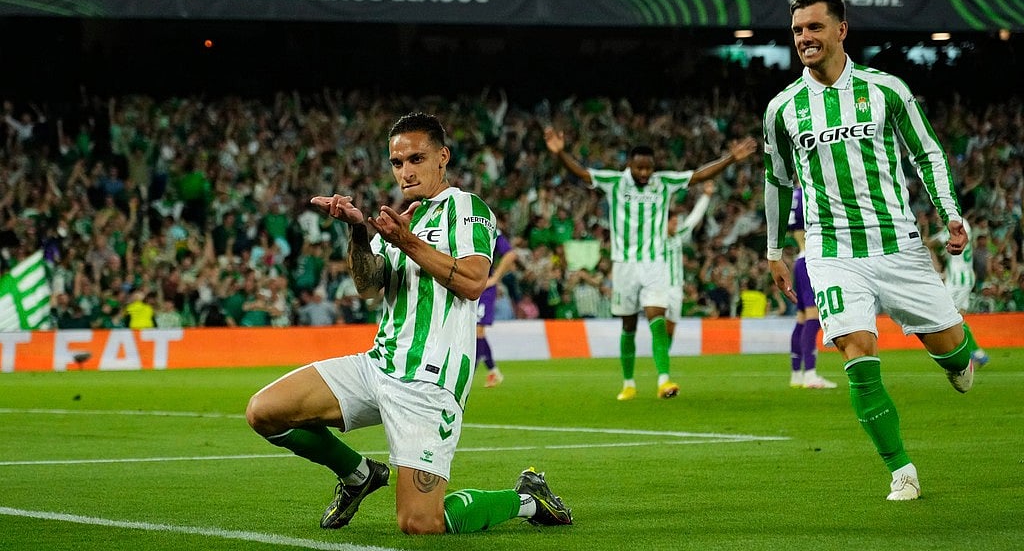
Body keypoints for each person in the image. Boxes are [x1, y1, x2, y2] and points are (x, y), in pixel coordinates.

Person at [245, 112, 572, 534]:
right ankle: (358, 475)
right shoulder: (400, 220)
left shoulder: (466, 209)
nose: (406, 171)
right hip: (378, 365)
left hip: (428, 382)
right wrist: (360, 232)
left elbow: (473, 282)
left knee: (421, 523)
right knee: (265, 412)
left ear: (442, 157)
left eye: (416, 159)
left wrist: (409, 242)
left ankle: (527, 498)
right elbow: (368, 286)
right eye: (397, 163)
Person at [763, 0, 982, 502]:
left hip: (898, 246)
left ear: (841, 30)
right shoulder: (782, 108)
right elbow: (776, 180)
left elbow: (927, 153)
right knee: (857, 352)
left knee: (953, 354)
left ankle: (958, 358)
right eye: (797, 31)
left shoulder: (886, 90)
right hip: (832, 252)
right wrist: (775, 251)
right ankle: (900, 468)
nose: (805, 38)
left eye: (815, 27)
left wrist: (951, 214)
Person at [544, 126, 757, 400]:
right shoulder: (615, 182)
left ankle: (664, 380)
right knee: (629, 326)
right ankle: (629, 382)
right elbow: (583, 173)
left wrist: (730, 159)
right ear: (630, 165)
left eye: (648, 168)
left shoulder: (663, 182)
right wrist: (561, 154)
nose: (645, 173)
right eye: (639, 168)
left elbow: (698, 175)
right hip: (624, 265)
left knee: (658, 318)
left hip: (654, 264)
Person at [787, 184, 838, 389]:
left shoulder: (792, 195)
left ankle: (796, 374)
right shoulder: (808, 191)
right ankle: (810, 374)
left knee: (801, 318)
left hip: (800, 257)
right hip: (811, 259)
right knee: (813, 317)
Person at [926, 218, 989, 367]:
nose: (937, 216)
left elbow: (932, 243)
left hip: (958, 281)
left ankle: (970, 353)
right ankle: (977, 353)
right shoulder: (962, 223)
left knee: (948, 318)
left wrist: (921, 238)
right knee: (958, 319)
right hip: (963, 277)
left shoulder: (956, 225)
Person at [665, 180, 714, 342]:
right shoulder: (654, 240)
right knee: (657, 321)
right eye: (672, 223)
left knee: (672, 323)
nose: (675, 225)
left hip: (676, 288)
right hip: (658, 287)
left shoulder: (678, 236)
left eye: (676, 222)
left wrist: (706, 196)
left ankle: (664, 350)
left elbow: (693, 218)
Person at [476, 227, 518, 387]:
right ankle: (493, 371)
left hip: (484, 287)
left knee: (477, 330)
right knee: (472, 331)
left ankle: (472, 374)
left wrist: (495, 278)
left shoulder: (490, 228)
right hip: (467, 284)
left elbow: (510, 254)